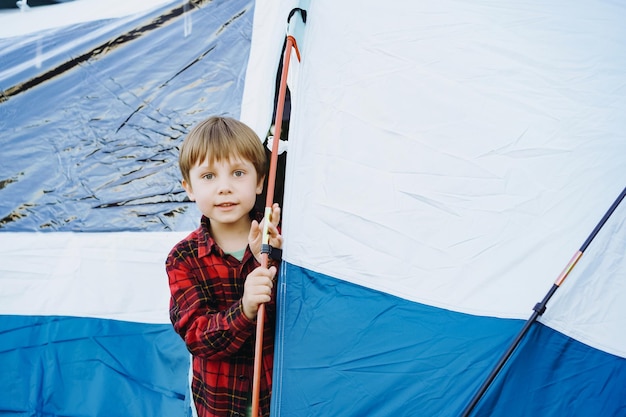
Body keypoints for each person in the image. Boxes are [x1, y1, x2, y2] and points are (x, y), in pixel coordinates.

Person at [166, 116, 283, 417]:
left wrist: (271, 261)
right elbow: (196, 336)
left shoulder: (281, 243)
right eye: (208, 177)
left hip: (279, 398)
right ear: (188, 188)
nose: (224, 188)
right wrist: (243, 309)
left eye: (238, 173)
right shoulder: (183, 258)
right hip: (219, 403)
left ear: (259, 181)